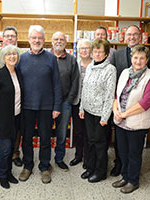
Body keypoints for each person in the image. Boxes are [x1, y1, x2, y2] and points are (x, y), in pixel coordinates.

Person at [17, 25, 62, 184]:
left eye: (40, 38)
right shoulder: (21, 58)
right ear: (29, 39)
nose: (37, 40)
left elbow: (57, 84)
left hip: (46, 107)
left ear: (44, 40)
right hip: (26, 106)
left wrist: (57, 106)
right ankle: (27, 166)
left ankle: (44, 167)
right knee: (27, 138)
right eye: (34, 38)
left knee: (45, 138)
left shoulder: (51, 58)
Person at [110, 25, 150, 177]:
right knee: (122, 149)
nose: (138, 61)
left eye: (135, 34)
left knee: (134, 152)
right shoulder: (121, 64)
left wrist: (123, 114)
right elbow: (117, 90)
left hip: (136, 116)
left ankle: (132, 179)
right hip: (120, 115)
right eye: (129, 34)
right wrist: (116, 110)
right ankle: (123, 173)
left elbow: (147, 99)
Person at [79, 39, 116, 183]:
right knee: (89, 141)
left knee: (100, 143)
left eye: (101, 51)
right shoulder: (89, 67)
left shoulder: (110, 70)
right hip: (88, 111)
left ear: (106, 54)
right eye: (95, 51)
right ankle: (90, 167)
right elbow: (85, 89)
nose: (97, 54)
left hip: (101, 114)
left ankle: (100, 171)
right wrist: (82, 107)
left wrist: (105, 116)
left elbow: (109, 95)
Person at [0, 45, 22, 189]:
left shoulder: (18, 73)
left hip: (17, 117)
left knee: (12, 148)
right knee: (6, 149)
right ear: (3, 58)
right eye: (9, 54)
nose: (12, 56)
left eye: (14, 54)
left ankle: (9, 173)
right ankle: (2, 176)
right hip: (3, 119)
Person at [0, 26, 25, 167]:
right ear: (2, 38)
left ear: (16, 38)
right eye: (7, 36)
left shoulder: (22, 54)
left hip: (17, 99)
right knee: (1, 132)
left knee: (16, 130)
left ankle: (15, 153)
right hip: (1, 101)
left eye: (12, 36)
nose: (10, 38)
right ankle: (1, 154)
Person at [51, 32, 79, 172]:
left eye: (62, 39)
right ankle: (45, 160)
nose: (59, 41)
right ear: (51, 41)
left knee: (61, 133)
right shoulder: (46, 57)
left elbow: (75, 81)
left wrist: (69, 100)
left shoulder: (71, 60)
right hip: (46, 104)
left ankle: (59, 158)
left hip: (64, 103)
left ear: (66, 42)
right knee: (45, 132)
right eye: (56, 39)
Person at [69, 39, 92, 168]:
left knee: (89, 132)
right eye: (82, 48)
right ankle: (78, 155)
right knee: (78, 131)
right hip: (77, 102)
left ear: (91, 50)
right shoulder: (75, 64)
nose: (84, 51)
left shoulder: (95, 64)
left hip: (90, 103)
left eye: (87, 48)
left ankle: (88, 157)